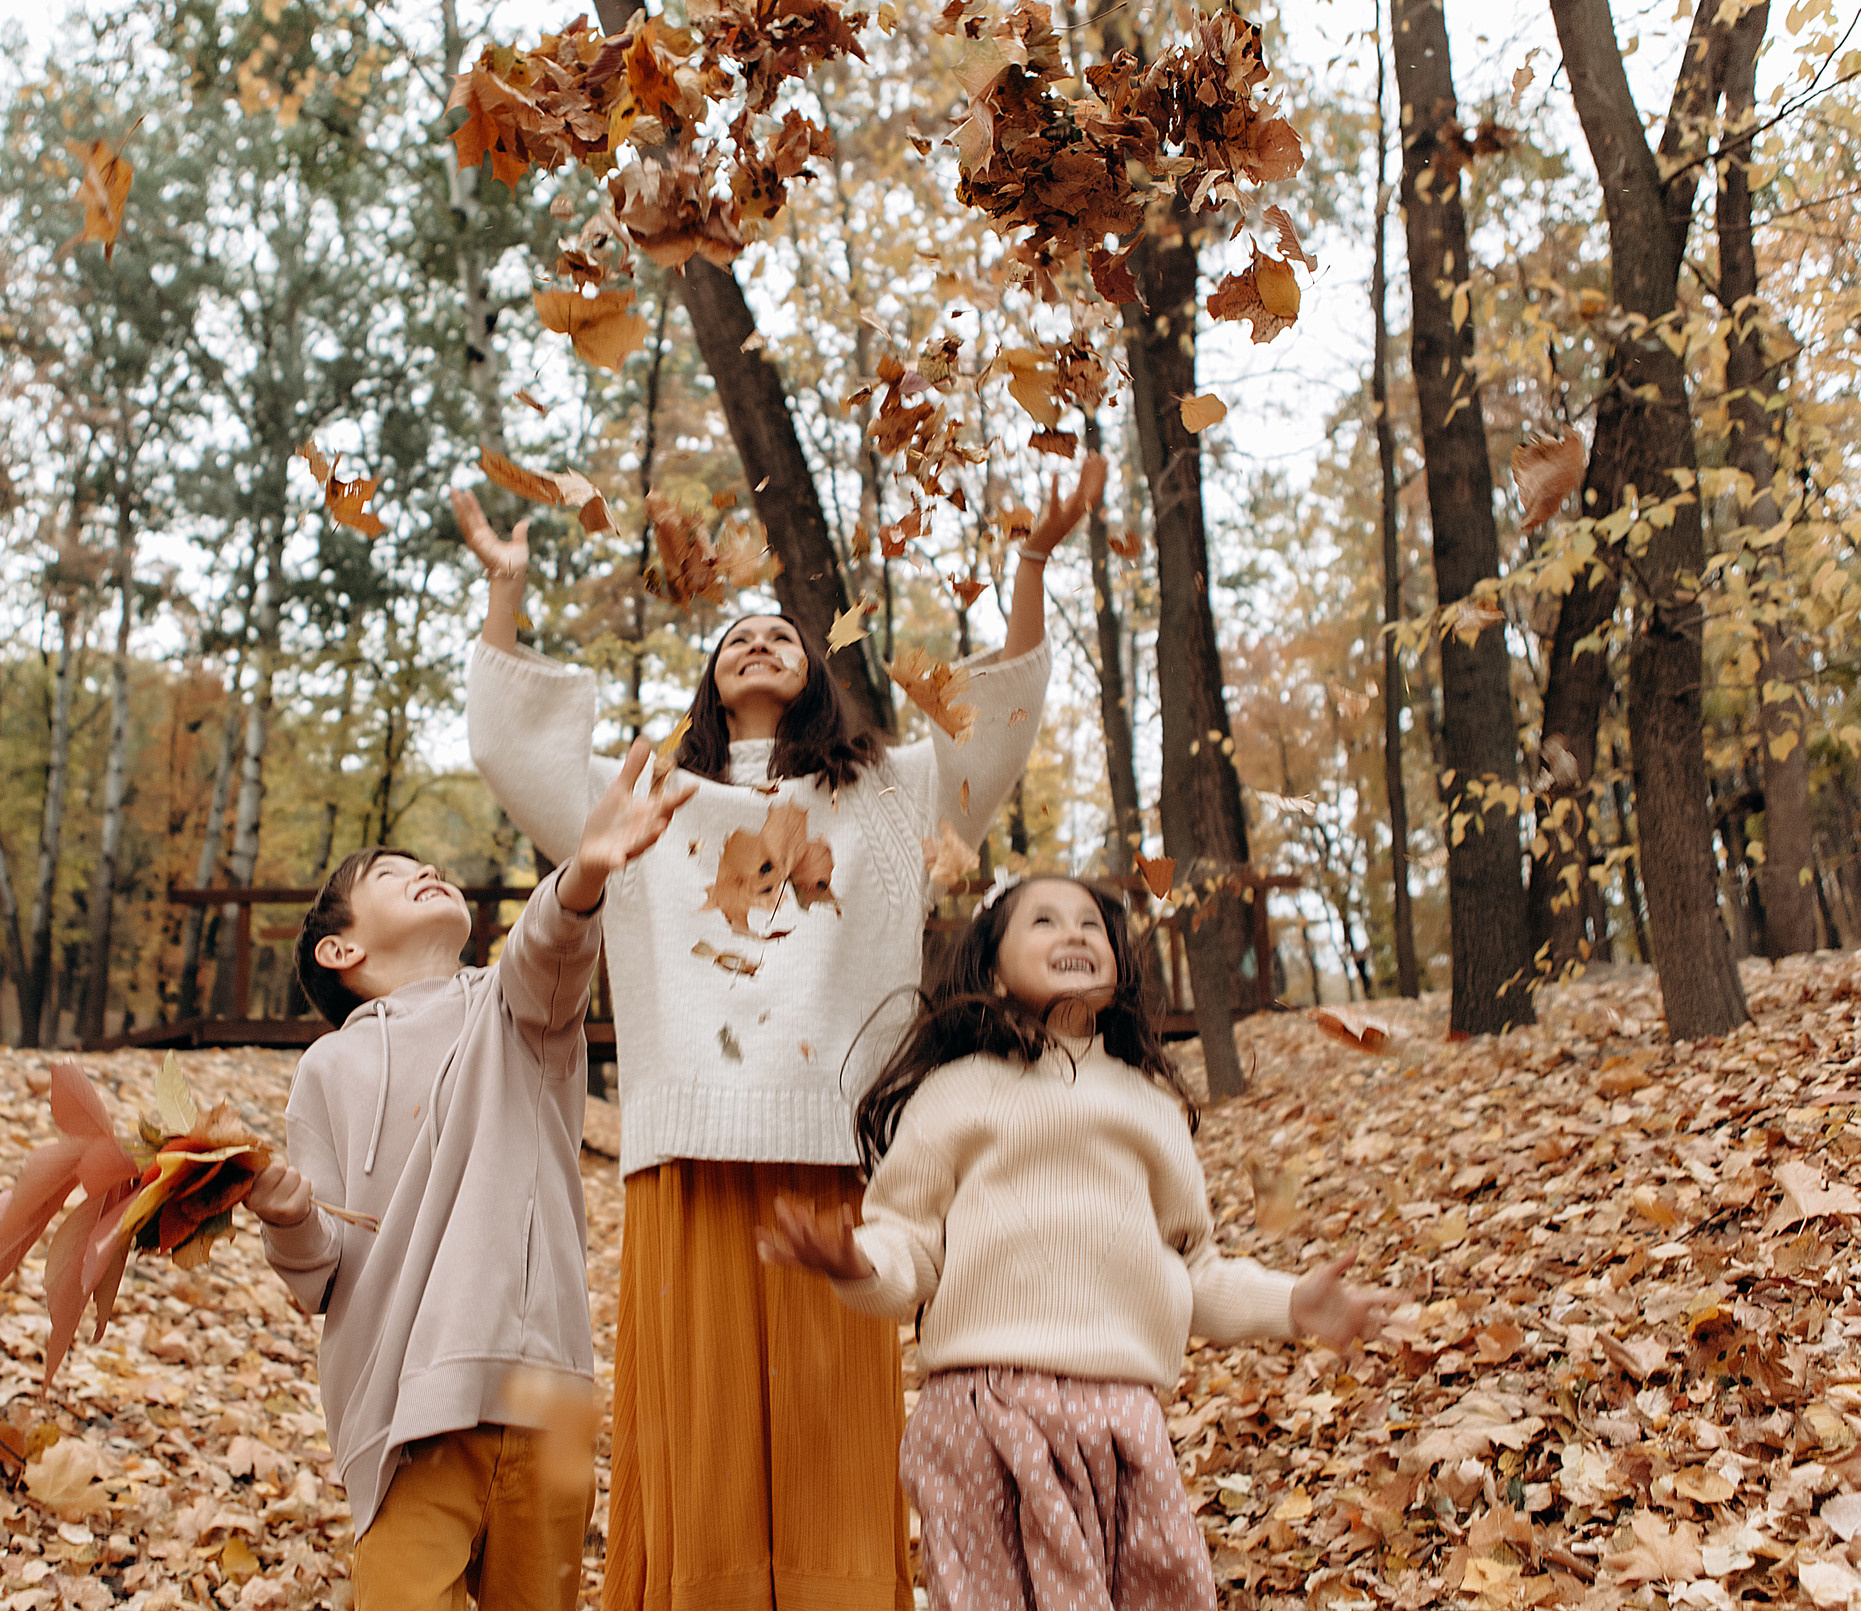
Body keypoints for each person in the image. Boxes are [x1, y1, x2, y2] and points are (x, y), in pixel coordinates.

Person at [455, 459, 1104, 1611]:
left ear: (817, 676)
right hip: (685, 1143)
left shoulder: (887, 790)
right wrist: (505, 594)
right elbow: (520, 755)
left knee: (828, 1415)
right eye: (735, 634)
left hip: (835, 1144)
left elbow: (992, 736)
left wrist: (1034, 566)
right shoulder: (651, 792)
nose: (757, 640)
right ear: (708, 677)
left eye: (782, 633)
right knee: (695, 1413)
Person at [758, 874, 1398, 1611]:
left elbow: (1194, 1270)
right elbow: (908, 1246)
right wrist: (856, 1260)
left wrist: (1293, 1304)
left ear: (1117, 963)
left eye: (1091, 923)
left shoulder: (1148, 1106)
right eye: (1045, 920)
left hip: (1123, 1421)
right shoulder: (957, 1092)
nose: (1074, 934)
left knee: (1161, 1592)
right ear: (993, 967)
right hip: (983, 1412)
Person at [243, 739, 695, 1611]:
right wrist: (287, 1214)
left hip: (549, 1390)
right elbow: (318, 1271)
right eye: (393, 870)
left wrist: (583, 877)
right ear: (339, 950)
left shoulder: (517, 1008)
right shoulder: (327, 1071)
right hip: (405, 1407)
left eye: (429, 863)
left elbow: (548, 949)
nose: (430, 869)